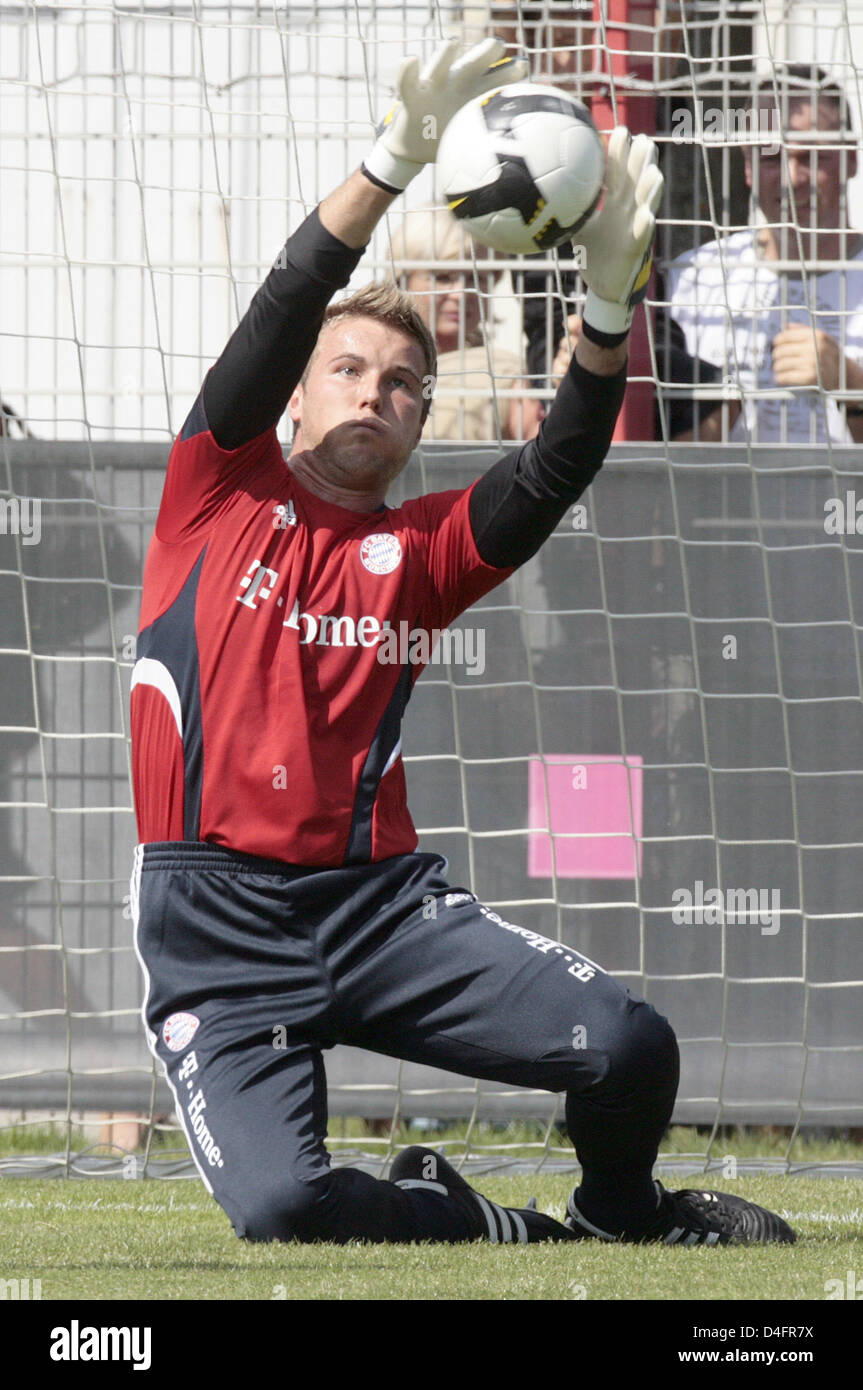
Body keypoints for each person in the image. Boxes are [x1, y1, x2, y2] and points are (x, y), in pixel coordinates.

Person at [129, 38, 794, 1247]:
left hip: (376, 913)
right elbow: (285, 302)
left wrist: (604, 300)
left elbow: (553, 467)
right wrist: (391, 160)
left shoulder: (420, 553)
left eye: (401, 382)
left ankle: (620, 1212)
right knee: (281, 1205)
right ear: (295, 395)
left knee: (631, 1047)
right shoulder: (213, 488)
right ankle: (491, 1224)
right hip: (218, 933)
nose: (372, 392)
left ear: (420, 417)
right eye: (347, 369)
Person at [668, 65, 863, 444]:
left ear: (851, 159)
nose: (793, 178)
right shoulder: (693, 277)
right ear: (747, 168)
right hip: (718, 504)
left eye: (813, 156)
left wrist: (850, 383)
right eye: (771, 158)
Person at [389, 205, 543, 440]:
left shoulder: (506, 372)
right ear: (403, 279)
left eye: (477, 279)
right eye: (443, 278)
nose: (461, 294)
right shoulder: (371, 362)